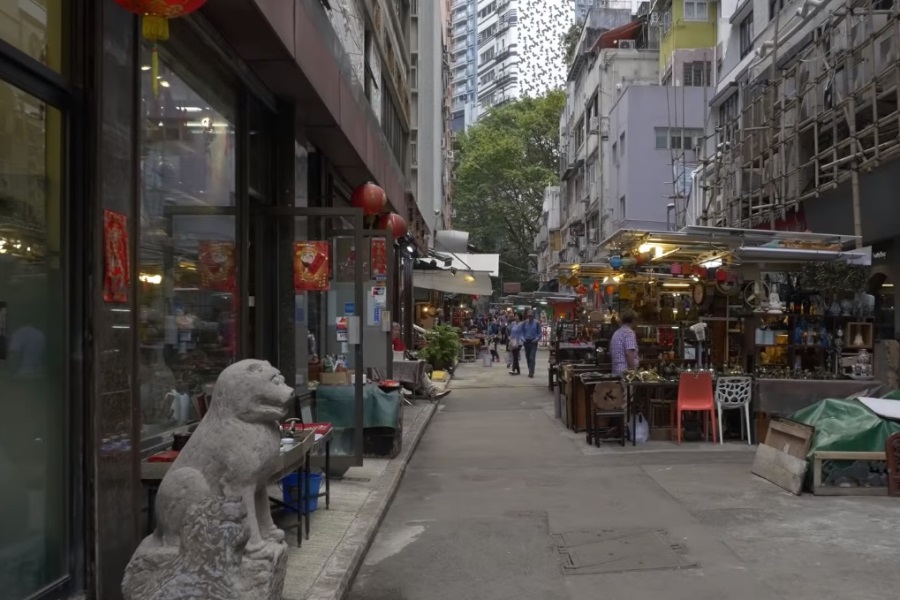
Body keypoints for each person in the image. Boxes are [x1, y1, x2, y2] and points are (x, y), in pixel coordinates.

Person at [392, 322, 451, 400]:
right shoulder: (385, 343)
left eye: (398, 330)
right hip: (392, 371)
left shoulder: (399, 342)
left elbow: (403, 354)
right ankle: (432, 391)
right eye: (394, 330)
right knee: (419, 372)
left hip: (400, 368)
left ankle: (432, 390)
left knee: (420, 370)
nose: (397, 332)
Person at [610, 309, 640, 376]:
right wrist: (633, 372)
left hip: (616, 371)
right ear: (633, 320)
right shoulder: (629, 332)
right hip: (625, 373)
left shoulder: (617, 332)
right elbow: (629, 353)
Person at [520, 309, 542, 378]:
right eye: (529, 316)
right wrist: (522, 338)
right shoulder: (524, 323)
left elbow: (540, 333)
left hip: (533, 342)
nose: (530, 317)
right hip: (526, 342)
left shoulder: (537, 323)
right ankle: (530, 369)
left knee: (532, 357)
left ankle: (531, 372)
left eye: (531, 316)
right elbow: (521, 332)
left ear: (533, 316)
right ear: (527, 316)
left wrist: (537, 339)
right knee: (528, 357)